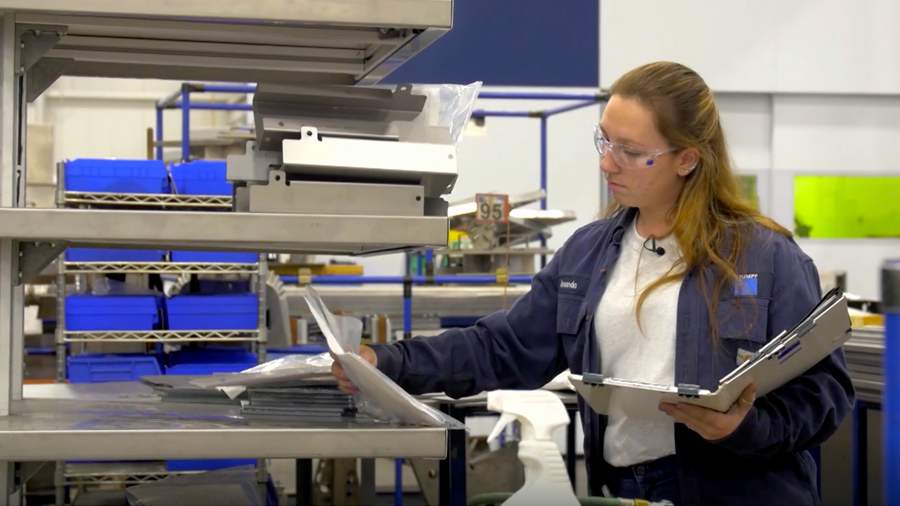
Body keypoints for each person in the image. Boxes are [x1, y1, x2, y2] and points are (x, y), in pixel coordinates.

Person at [331, 61, 855, 505]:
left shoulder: (765, 256)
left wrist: (746, 427)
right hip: (622, 490)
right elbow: (501, 347)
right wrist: (388, 362)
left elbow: (826, 391)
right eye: (604, 141)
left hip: (737, 490)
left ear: (687, 159)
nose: (607, 163)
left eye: (630, 150)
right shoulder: (589, 254)